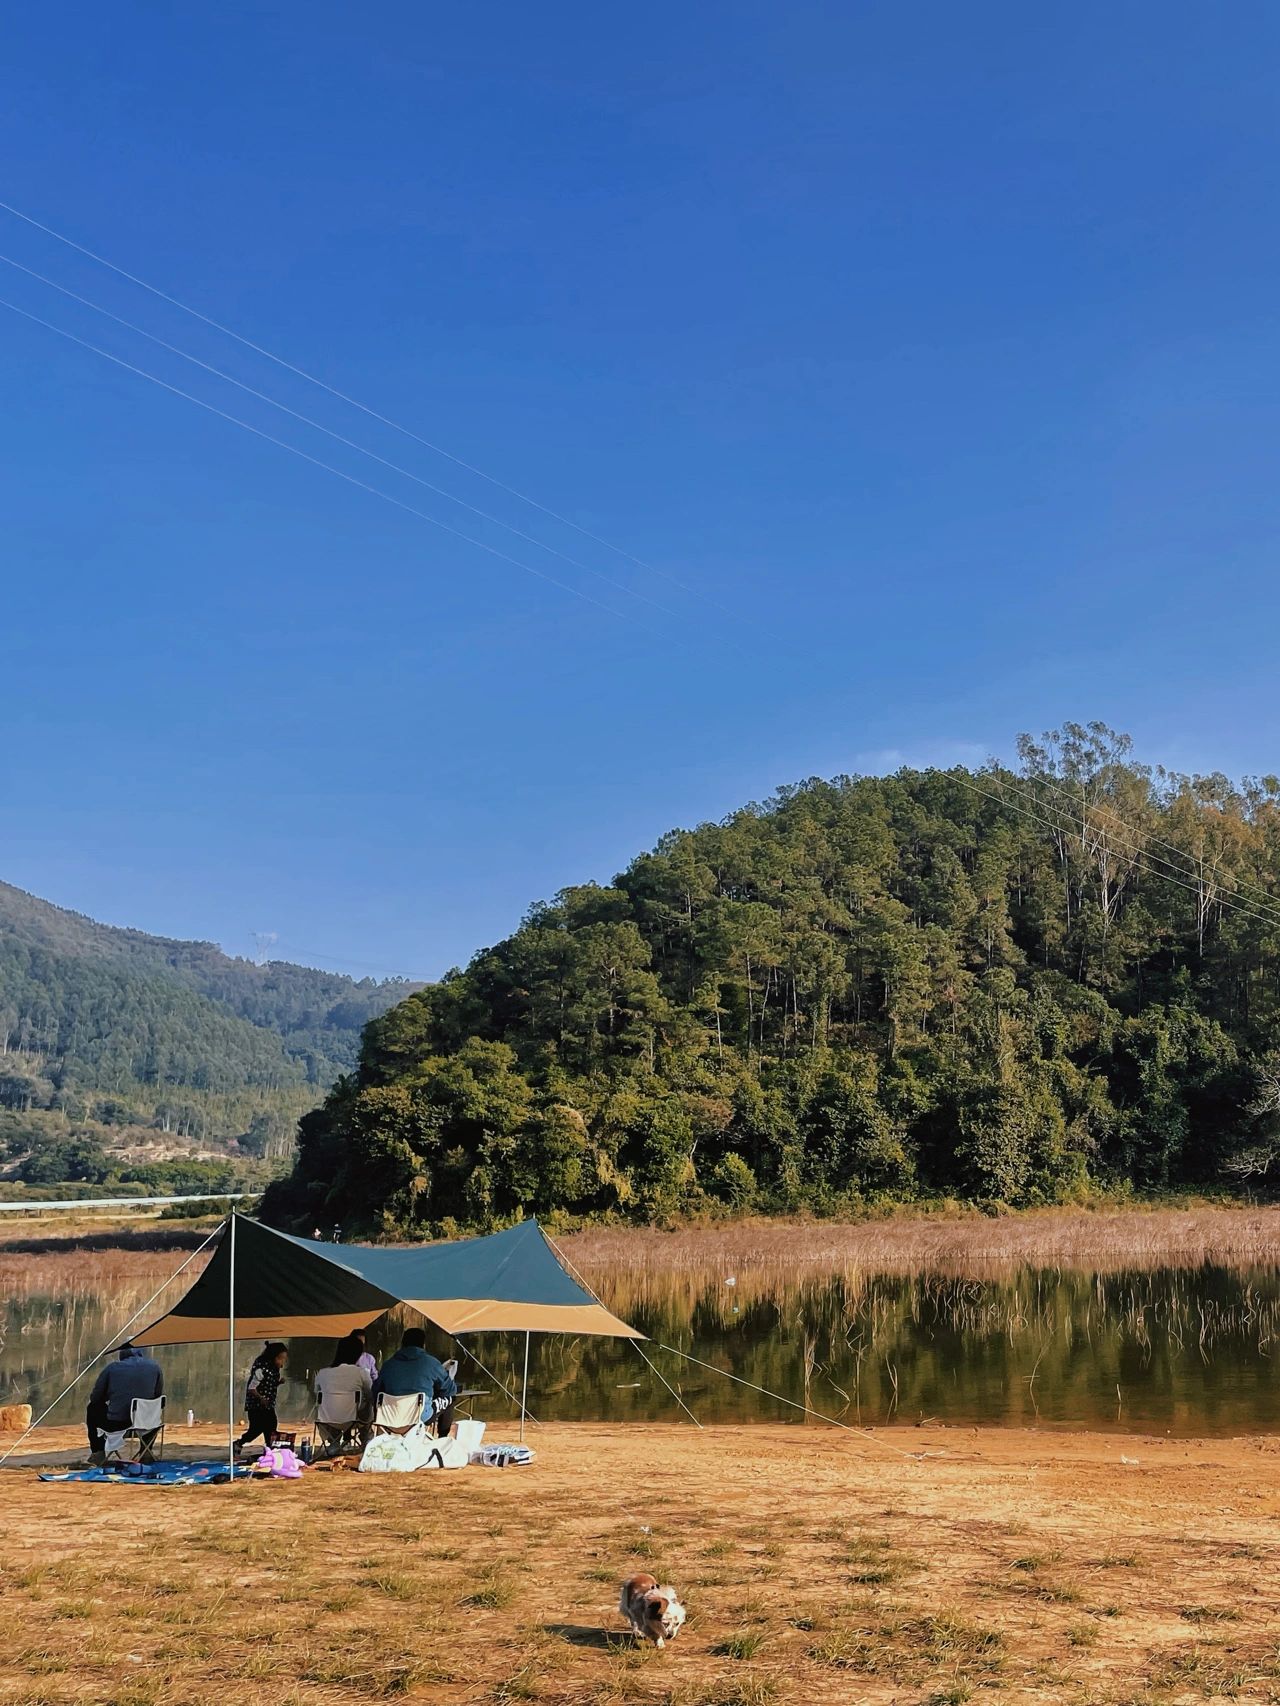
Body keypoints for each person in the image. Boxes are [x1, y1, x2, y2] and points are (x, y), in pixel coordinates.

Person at [85, 1343, 164, 1464]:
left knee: (92, 1408)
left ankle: (98, 1452)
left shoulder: (112, 1368)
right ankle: (146, 1451)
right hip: (148, 1425)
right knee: (152, 1410)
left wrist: (111, 1396)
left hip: (117, 1424)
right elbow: (158, 1396)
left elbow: (95, 1397)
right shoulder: (155, 1367)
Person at [375, 1327, 457, 1436]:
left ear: (402, 1344)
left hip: (390, 1419)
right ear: (423, 1345)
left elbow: (375, 1391)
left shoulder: (388, 1364)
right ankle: (442, 1438)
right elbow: (451, 1389)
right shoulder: (431, 1363)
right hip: (420, 1417)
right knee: (451, 1397)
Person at [314, 1333, 373, 1456]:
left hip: (327, 1421)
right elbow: (369, 1394)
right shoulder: (361, 1373)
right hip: (354, 1420)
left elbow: (316, 1394)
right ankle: (366, 1439)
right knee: (368, 1404)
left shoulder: (322, 1373)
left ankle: (333, 1441)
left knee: (324, 1404)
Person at [235, 1341, 288, 1454]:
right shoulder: (261, 1369)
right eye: (280, 1358)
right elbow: (252, 1388)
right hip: (256, 1406)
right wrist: (261, 1398)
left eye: (284, 1358)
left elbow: (268, 1384)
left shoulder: (274, 1369)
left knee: (271, 1425)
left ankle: (270, 1449)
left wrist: (278, 1383)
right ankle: (239, 1443)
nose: (282, 1361)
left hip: (267, 1405)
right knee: (257, 1429)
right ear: (274, 1357)